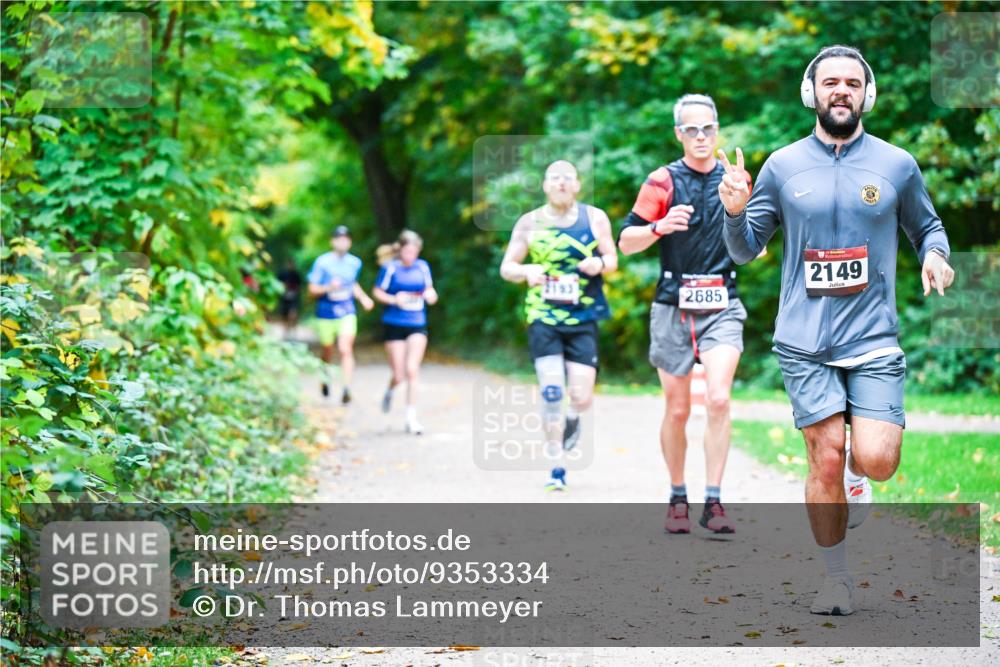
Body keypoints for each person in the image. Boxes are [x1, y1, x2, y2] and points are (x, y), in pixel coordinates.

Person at [718, 45, 955, 615]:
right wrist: (735, 211)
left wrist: (935, 255)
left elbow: (928, 227)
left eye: (852, 82)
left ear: (867, 94)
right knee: (824, 456)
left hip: (873, 337)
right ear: (812, 92)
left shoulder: (897, 164)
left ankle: (859, 472)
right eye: (831, 82)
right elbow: (745, 249)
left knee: (877, 459)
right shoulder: (782, 166)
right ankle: (837, 579)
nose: (841, 90)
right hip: (804, 341)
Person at [619, 94, 751, 534]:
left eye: (707, 128)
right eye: (691, 129)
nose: (700, 136)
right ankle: (678, 495)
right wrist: (658, 227)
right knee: (677, 410)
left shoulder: (734, 179)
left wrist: (740, 207)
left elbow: (755, 244)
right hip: (673, 306)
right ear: (679, 133)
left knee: (718, 398)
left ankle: (713, 502)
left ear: (717, 130)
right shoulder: (662, 181)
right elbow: (626, 242)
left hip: (723, 304)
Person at [500, 160, 618, 492]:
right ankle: (556, 465)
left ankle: (573, 418)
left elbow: (612, 259)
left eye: (568, 178)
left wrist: (599, 263)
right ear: (545, 185)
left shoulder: (595, 218)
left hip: (584, 317)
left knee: (581, 396)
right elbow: (507, 267)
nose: (561, 183)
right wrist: (526, 271)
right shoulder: (529, 222)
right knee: (552, 391)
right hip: (544, 317)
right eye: (555, 178)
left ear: (577, 185)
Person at [373, 230, 438, 435]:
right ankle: (390, 390)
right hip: (394, 323)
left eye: (414, 252)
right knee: (399, 374)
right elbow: (377, 292)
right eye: (408, 251)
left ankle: (411, 419)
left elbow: (429, 289)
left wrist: (431, 295)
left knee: (412, 369)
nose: (411, 255)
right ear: (400, 250)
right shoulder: (390, 268)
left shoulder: (422, 267)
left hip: (417, 322)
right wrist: (394, 299)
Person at [307, 226, 375, 404]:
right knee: (327, 349)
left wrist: (363, 298)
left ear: (350, 242)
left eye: (345, 239)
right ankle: (325, 377)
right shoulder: (322, 262)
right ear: (332, 241)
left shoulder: (355, 263)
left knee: (345, 349)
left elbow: (352, 284)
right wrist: (329, 287)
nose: (342, 242)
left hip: (346, 310)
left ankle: (346, 387)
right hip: (326, 312)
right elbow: (312, 289)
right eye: (339, 239)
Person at [277, 259, 303, 339]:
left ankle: (293, 332)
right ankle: (286, 332)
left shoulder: (296, 275)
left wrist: (294, 290)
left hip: (294, 298)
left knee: (293, 315)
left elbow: (299, 286)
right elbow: (277, 285)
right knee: (284, 316)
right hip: (284, 298)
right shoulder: (282, 274)